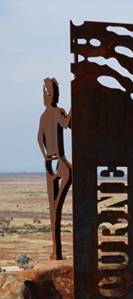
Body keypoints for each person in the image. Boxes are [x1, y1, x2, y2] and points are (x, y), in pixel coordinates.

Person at [37, 77, 72, 260]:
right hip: (51, 162)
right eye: (46, 92)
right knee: (53, 208)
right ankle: (55, 251)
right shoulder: (44, 117)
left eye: (51, 92)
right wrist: (45, 156)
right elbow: (39, 138)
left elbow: (66, 124)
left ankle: (56, 251)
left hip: (58, 160)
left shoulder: (57, 112)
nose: (48, 95)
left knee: (56, 204)